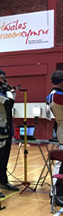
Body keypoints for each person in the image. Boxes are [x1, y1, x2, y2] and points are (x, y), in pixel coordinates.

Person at [46, 70, 63, 206]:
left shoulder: (51, 95)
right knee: (60, 162)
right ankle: (55, 193)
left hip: (60, 127)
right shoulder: (57, 96)